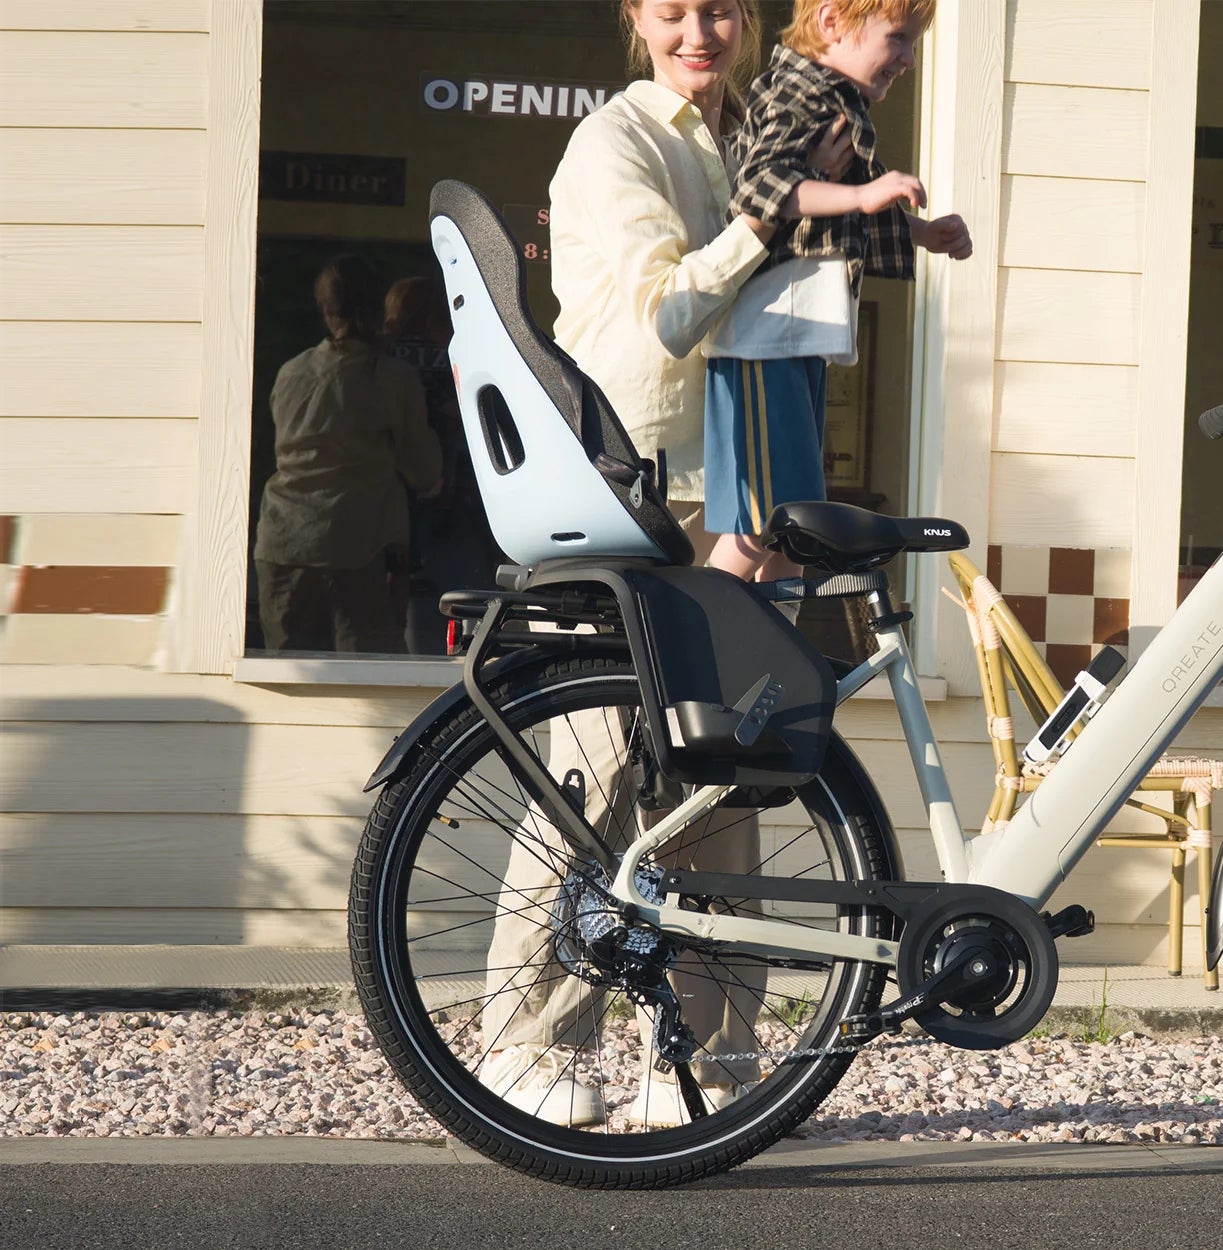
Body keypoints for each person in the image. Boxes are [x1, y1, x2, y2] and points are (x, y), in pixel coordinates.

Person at [476, 0, 854, 1131]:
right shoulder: (615, 141)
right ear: (636, 18)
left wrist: (824, 207)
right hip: (630, 488)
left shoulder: (753, 138)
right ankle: (525, 1043)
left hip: (739, 485)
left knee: (734, 763)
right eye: (673, 9)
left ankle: (709, 1060)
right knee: (599, 768)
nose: (700, 31)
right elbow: (668, 311)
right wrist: (777, 212)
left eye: (721, 8)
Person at [701, 0, 972, 583]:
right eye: (897, 38)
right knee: (761, 521)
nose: (908, 58)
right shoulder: (796, 93)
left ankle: (770, 633)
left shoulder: (838, 100)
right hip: (764, 339)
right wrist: (863, 195)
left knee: (797, 524)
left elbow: (833, 217)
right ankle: (702, 623)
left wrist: (921, 232)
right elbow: (762, 187)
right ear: (831, 23)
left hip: (800, 340)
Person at [253, 255, 442, 654]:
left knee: (291, 671)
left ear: (324, 309)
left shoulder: (291, 373)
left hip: (284, 543)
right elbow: (424, 472)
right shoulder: (392, 379)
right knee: (368, 675)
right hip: (360, 550)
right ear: (377, 308)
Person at [383, 274, 499, 654]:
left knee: (407, 601)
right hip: (450, 495)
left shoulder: (382, 362)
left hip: (403, 496)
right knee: (462, 596)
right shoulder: (454, 357)